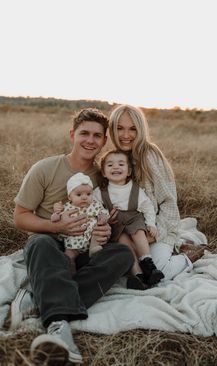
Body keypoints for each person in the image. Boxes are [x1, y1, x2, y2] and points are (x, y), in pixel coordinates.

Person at [11, 108, 134, 364]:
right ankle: (58, 326)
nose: (90, 140)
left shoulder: (104, 175)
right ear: (72, 135)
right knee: (40, 242)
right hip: (51, 247)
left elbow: (106, 215)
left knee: (122, 254)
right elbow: (20, 216)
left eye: (97, 136)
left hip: (86, 249)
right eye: (84, 133)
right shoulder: (45, 169)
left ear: (103, 141)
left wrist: (105, 231)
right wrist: (56, 227)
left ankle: (39, 298)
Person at [109, 104, 208, 280]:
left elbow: (169, 204)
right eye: (119, 128)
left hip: (156, 230)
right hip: (128, 230)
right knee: (127, 269)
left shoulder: (149, 157)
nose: (125, 135)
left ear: (141, 130)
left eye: (132, 129)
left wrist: (153, 235)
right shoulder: (113, 158)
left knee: (157, 271)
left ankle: (190, 254)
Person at [93, 149, 164, 290]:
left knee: (139, 233)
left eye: (121, 164)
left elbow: (147, 207)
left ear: (129, 171)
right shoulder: (100, 192)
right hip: (116, 225)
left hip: (134, 219)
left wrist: (151, 224)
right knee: (123, 242)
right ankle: (137, 275)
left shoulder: (136, 190)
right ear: (103, 172)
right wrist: (103, 217)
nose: (116, 167)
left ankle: (148, 263)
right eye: (110, 165)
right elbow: (95, 208)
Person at [51, 172, 110, 275]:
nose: (84, 197)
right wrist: (56, 212)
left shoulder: (94, 205)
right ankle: (70, 270)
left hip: (92, 239)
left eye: (88, 194)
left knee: (97, 232)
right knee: (69, 255)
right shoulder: (67, 207)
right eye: (78, 195)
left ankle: (94, 250)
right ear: (70, 197)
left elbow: (103, 212)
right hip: (74, 242)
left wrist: (103, 218)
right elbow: (55, 219)